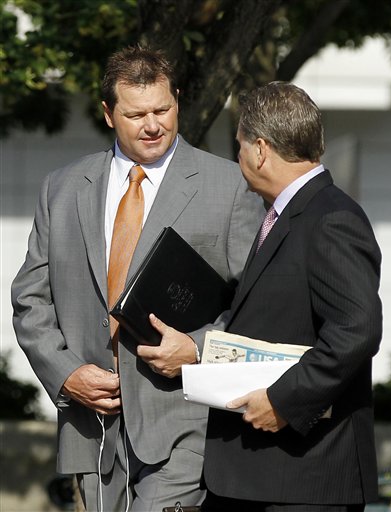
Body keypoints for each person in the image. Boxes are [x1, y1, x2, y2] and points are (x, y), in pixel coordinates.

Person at [11, 46, 263, 512]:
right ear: (108, 113)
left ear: (178, 101)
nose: (153, 124)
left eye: (163, 109)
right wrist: (67, 375)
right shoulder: (62, 187)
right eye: (136, 114)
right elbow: (30, 300)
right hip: (94, 431)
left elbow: (258, 303)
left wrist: (199, 347)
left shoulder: (230, 187)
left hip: (185, 426)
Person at [151, 82, 383, 511]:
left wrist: (284, 400)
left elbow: (358, 330)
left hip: (304, 479)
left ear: (260, 149)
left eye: (238, 146)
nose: (237, 158)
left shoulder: (331, 218)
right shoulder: (281, 216)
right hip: (260, 478)